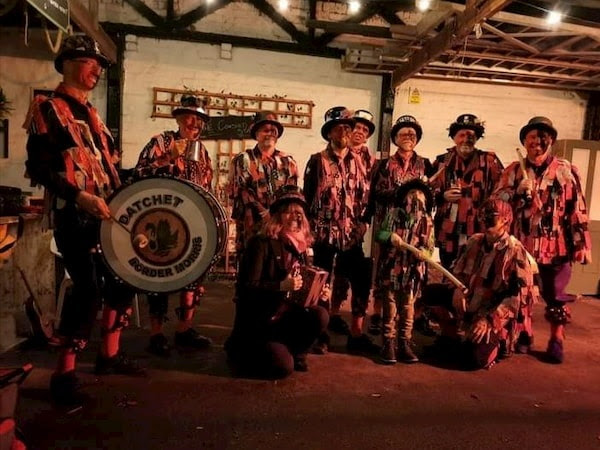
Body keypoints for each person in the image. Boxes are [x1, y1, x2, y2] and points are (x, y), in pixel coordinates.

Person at [24, 35, 144, 406]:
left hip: (105, 213)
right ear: (68, 63)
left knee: (126, 279)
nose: (96, 70)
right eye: (90, 62)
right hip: (74, 215)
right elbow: (39, 168)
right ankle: (64, 372)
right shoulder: (48, 108)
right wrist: (80, 196)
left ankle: (109, 355)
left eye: (99, 65)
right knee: (88, 289)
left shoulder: (94, 118)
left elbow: (108, 170)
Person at [494, 116, 592, 363]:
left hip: (556, 245)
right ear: (524, 142)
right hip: (522, 245)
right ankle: (524, 332)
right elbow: (496, 204)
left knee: (555, 294)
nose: (537, 142)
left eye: (542, 137)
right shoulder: (513, 171)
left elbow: (576, 208)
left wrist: (581, 244)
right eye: (532, 137)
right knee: (522, 290)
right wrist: (514, 192)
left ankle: (557, 338)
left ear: (551, 140)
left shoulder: (565, 171)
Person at [134, 93, 213, 357]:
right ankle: (156, 333)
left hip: (193, 221)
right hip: (163, 218)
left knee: (193, 275)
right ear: (179, 117)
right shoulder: (160, 141)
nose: (195, 123)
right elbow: (138, 175)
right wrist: (167, 158)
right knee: (161, 276)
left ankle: (184, 329)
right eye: (191, 117)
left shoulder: (202, 151)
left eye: (200, 119)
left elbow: (207, 186)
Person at [422, 199, 541, 370]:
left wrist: (489, 320)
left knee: (474, 360)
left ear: (505, 220)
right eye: (483, 216)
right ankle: (451, 335)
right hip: (470, 303)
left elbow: (518, 299)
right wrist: (457, 290)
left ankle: (497, 345)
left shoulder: (515, 252)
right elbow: (457, 272)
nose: (485, 221)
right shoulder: (474, 242)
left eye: (491, 217)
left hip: (493, 315)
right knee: (431, 293)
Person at [225, 186, 329, 379]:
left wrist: (319, 293)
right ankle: (244, 352)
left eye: (299, 213)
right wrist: (280, 286)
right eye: (289, 212)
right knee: (282, 368)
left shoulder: (303, 247)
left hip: (287, 319)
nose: (295, 217)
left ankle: (296, 352)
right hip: (262, 322)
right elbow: (247, 288)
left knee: (320, 314)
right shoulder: (261, 244)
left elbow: (303, 291)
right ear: (277, 216)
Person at [303, 106, 377, 353]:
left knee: (361, 278)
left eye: (348, 127)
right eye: (339, 127)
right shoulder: (317, 161)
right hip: (323, 235)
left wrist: (364, 223)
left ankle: (356, 334)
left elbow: (368, 197)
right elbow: (308, 198)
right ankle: (318, 334)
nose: (344, 131)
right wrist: (309, 233)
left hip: (351, 235)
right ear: (329, 133)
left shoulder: (362, 161)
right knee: (319, 283)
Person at [367, 115, 433, 336]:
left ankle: (414, 316)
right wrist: (401, 192)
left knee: (415, 270)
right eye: (403, 133)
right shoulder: (384, 164)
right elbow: (375, 193)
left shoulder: (426, 164)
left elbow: (432, 194)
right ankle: (379, 315)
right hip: (390, 224)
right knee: (384, 272)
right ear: (395, 138)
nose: (408, 137)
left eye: (412, 134)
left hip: (416, 228)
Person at [430, 114, 504, 269]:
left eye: (471, 135)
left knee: (477, 276)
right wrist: (442, 196)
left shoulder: (489, 161)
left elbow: (501, 192)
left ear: (477, 138)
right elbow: (427, 194)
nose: (466, 139)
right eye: (461, 135)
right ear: (454, 137)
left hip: (478, 230)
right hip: (448, 232)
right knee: (449, 275)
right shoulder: (442, 161)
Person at [375, 179, 435, 364]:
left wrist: (423, 253)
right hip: (391, 270)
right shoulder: (393, 215)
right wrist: (390, 236)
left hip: (412, 274)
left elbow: (430, 247)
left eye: (419, 195)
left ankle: (404, 342)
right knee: (390, 306)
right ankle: (388, 343)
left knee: (408, 308)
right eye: (411, 194)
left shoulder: (427, 221)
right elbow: (379, 234)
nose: (415, 198)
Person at [229, 111, 298, 253]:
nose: (270, 133)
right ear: (257, 134)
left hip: (280, 224)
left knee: (277, 265)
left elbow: (292, 193)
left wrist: (277, 216)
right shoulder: (243, 159)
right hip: (252, 224)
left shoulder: (288, 161)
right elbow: (242, 191)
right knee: (251, 265)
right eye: (266, 130)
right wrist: (264, 213)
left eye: (274, 131)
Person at [349, 110, 380, 334]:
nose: (360, 132)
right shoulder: (333, 155)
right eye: (357, 127)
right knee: (332, 273)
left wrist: (366, 221)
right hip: (330, 226)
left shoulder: (373, 162)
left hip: (356, 224)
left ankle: (357, 327)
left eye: (365, 130)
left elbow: (374, 195)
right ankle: (328, 315)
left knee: (359, 272)